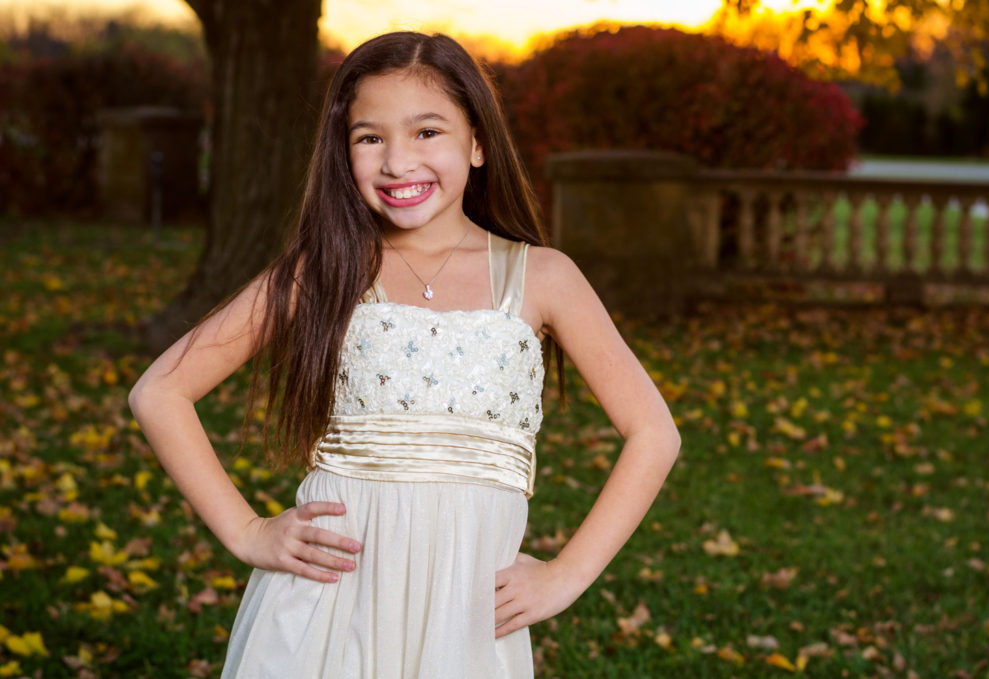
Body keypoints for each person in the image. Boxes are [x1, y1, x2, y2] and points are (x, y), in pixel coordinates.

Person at [129, 31, 679, 678]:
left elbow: (653, 432)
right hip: (330, 606)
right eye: (369, 137)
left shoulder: (543, 278)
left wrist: (567, 574)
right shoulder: (324, 270)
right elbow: (159, 392)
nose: (397, 162)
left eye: (427, 132)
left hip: (462, 616)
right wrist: (247, 531)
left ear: (477, 142)